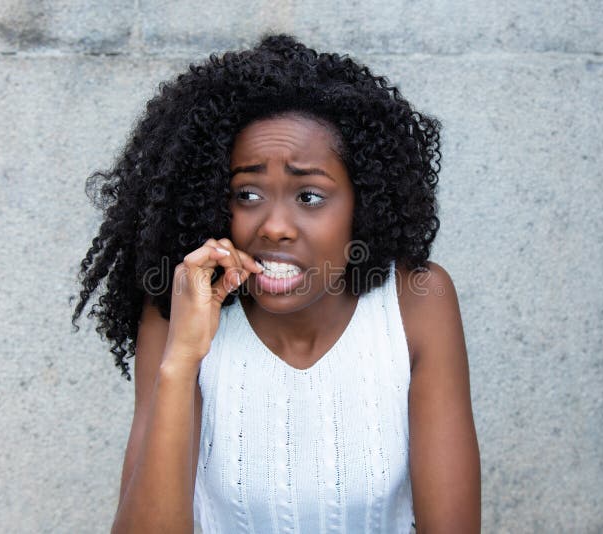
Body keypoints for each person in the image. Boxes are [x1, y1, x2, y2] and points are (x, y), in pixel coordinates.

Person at [71, 33, 480, 533]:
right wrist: (180, 361)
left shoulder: (417, 303)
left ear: (364, 203)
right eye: (246, 193)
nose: (273, 226)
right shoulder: (178, 313)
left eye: (309, 196)